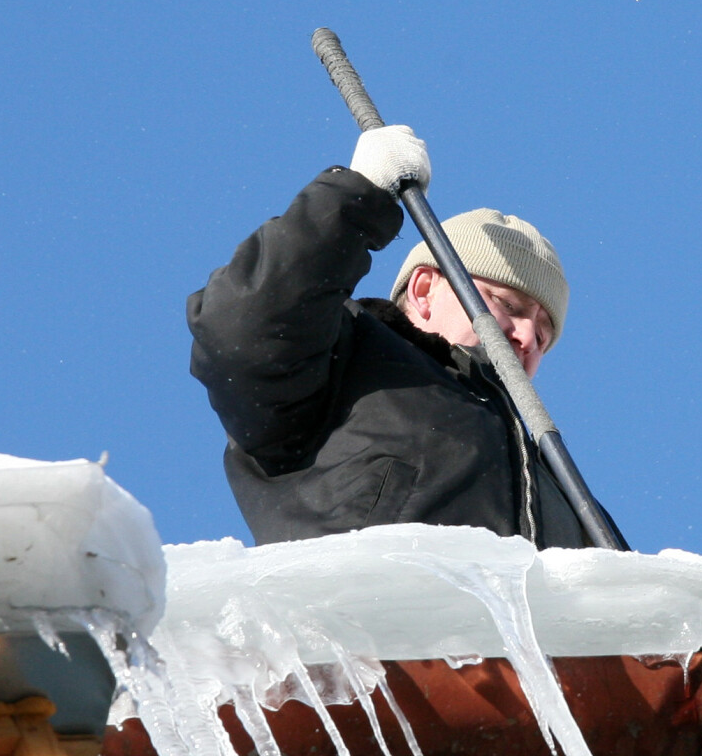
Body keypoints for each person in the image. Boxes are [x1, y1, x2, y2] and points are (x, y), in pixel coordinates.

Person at [188, 124, 616, 548]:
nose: (526, 336)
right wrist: (358, 197)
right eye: (507, 305)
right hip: (363, 611)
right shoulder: (343, 358)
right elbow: (246, 327)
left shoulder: (561, 487)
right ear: (425, 290)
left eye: (543, 335)